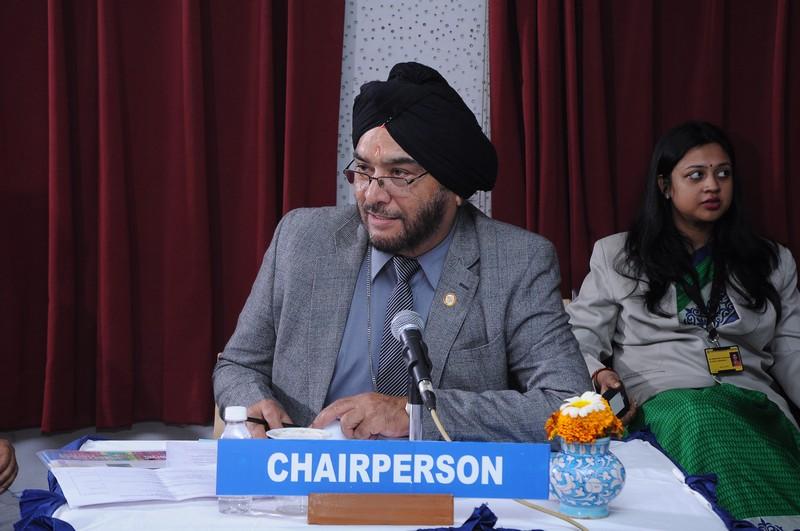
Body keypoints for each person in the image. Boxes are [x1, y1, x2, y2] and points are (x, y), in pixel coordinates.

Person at [213, 62, 590, 442]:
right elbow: (238, 365)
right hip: (308, 473)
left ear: (454, 188)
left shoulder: (517, 263)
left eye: (399, 175)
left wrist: (414, 414)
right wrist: (251, 401)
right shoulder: (303, 239)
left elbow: (570, 407)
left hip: (442, 478)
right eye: (363, 170)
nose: (372, 195)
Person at [567, 121, 800, 523]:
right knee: (698, 415)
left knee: (735, 424)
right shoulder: (619, 256)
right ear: (665, 186)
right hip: (667, 402)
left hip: (751, 402)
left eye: (723, 174)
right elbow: (578, 338)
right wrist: (598, 373)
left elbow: (792, 350)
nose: (712, 186)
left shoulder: (771, 261)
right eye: (696, 175)